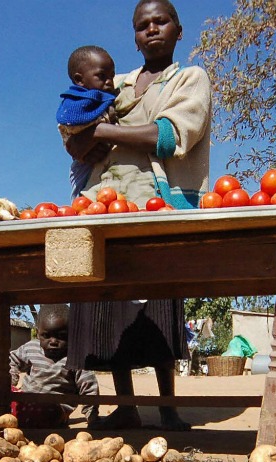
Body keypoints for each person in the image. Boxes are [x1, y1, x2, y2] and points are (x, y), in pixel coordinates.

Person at [63, 0, 211, 431]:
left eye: (160, 22)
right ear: (134, 35)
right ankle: (125, 404)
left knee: (159, 304)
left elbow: (168, 137)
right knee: (109, 304)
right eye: (142, 25)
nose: (151, 30)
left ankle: (167, 406)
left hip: (156, 203)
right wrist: (82, 136)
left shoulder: (189, 78)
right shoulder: (116, 82)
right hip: (104, 201)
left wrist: (103, 131)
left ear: (178, 31)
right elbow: (73, 135)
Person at [0, 304, 99, 428]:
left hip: (53, 410)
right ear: (38, 333)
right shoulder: (31, 348)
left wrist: (92, 416)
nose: (53, 341)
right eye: (46, 335)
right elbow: (10, 360)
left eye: (61, 336)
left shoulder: (76, 358)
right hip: (23, 401)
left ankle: (4, 417)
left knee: (50, 409)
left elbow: (88, 387)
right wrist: (10, 379)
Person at [56, 45, 119, 198]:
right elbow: (74, 125)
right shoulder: (78, 102)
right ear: (79, 80)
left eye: (112, 76)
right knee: (82, 197)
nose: (109, 82)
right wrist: (106, 118)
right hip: (83, 163)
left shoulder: (101, 95)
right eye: (102, 76)